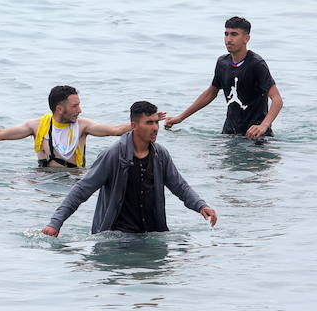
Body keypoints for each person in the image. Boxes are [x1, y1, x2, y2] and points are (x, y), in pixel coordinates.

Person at [42, 101, 218, 236]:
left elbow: (179, 186)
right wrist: (55, 223)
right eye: (149, 123)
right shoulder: (113, 155)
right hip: (116, 236)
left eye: (156, 122)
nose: (155, 128)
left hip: (151, 234)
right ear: (134, 126)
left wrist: (201, 206)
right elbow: (81, 190)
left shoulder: (160, 155)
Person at [0, 85, 132, 167]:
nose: (80, 110)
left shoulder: (83, 126)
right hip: (43, 179)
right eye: (75, 106)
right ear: (59, 109)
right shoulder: (36, 126)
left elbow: (116, 131)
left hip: (73, 179)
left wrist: (141, 122)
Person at [164, 16, 283, 139]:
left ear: (246, 38)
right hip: (229, 133)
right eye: (226, 34)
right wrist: (180, 118)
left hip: (256, 136)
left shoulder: (256, 64)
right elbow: (210, 94)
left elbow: (277, 99)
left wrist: (264, 126)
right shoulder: (222, 63)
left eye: (234, 34)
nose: (228, 39)